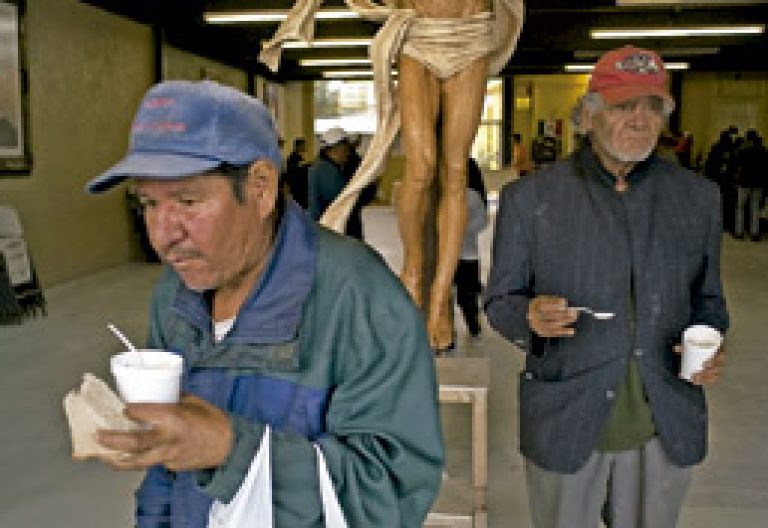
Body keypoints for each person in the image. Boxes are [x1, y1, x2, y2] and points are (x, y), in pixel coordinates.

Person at [85, 80, 444, 527]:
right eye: (149, 205)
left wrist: (231, 449)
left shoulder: (359, 297)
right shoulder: (175, 294)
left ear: (260, 188)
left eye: (188, 201)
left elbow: (392, 492)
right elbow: (167, 465)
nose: (163, 236)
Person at [484, 46, 729, 528]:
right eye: (624, 105)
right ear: (589, 113)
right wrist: (529, 318)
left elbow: (710, 301)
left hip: (662, 422)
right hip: (565, 418)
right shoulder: (530, 199)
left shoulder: (697, 198)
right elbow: (500, 302)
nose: (640, 118)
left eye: (652, 106)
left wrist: (710, 341)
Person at [260, 0, 524, 351]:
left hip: (469, 35)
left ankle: (441, 295)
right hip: (417, 37)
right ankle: (413, 271)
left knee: (456, 169)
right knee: (421, 166)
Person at [453, 157, 488, 337]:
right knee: (445, 295)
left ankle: (473, 324)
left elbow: (482, 221)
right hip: (444, 257)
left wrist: (460, 230)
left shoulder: (472, 196)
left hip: (467, 255)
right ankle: (446, 333)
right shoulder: (441, 194)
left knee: (467, 295)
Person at [307, 127, 351, 221]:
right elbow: (342, 199)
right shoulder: (326, 170)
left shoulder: (323, 166)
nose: (348, 153)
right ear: (335, 148)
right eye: (346, 149)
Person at [733, 129, 767, 241]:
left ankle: (739, 231)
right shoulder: (763, 151)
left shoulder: (743, 151)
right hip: (758, 183)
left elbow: (736, 165)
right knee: (755, 208)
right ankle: (754, 232)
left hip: (744, 182)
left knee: (740, 207)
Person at [283, 137, 309, 208]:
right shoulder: (292, 158)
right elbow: (293, 174)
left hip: (301, 190)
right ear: (298, 146)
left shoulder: (300, 158)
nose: (305, 147)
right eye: (303, 145)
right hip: (297, 189)